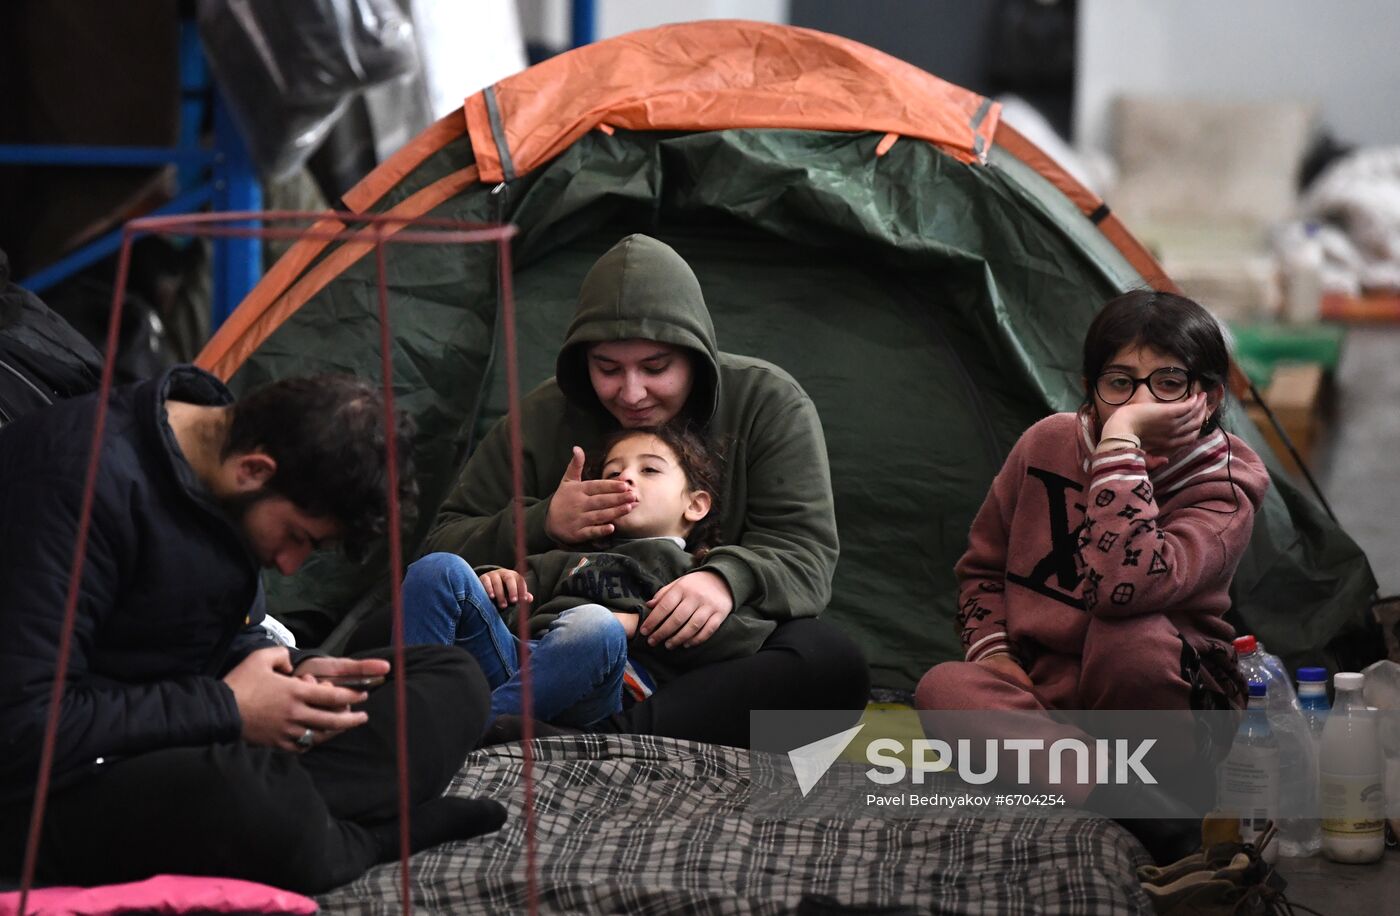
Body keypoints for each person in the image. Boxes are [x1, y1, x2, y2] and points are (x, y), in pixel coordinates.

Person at [0, 368, 505, 894]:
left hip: (180, 731)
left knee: (452, 680)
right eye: (296, 537)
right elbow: (22, 727)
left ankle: (304, 821)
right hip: (50, 782)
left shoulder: (223, 467)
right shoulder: (73, 482)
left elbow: (214, 632)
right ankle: (359, 841)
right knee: (253, 801)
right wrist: (228, 708)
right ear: (254, 469)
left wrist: (290, 672)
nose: (288, 566)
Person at [423, 234, 868, 748]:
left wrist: (727, 579)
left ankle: (592, 739)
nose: (631, 394)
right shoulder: (544, 417)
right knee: (393, 622)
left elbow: (805, 554)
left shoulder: (769, 404)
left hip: (701, 659)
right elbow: (442, 547)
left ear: (696, 356)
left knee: (830, 663)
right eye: (607, 369)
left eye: (656, 368)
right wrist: (542, 522)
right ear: (582, 361)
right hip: (547, 645)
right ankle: (550, 725)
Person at [914, 289, 1270, 863]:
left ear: (1209, 398)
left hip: (1163, 700)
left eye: (1170, 383)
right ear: (1091, 387)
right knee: (943, 688)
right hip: (1047, 697)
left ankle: (1112, 790)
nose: (1142, 401)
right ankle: (1135, 809)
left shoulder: (1225, 489)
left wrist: (1121, 443)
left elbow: (1123, 585)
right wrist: (994, 653)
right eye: (1120, 383)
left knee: (1127, 636)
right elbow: (981, 569)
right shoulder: (1046, 443)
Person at [405, 423, 778, 730]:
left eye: (648, 470)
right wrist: (494, 580)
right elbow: (510, 603)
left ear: (695, 504)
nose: (626, 478)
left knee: (594, 624)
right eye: (613, 472)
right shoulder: (567, 555)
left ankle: (465, 730)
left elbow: (744, 636)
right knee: (439, 567)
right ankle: (409, 716)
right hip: (517, 664)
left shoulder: (696, 573)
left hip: (598, 690)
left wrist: (634, 623)